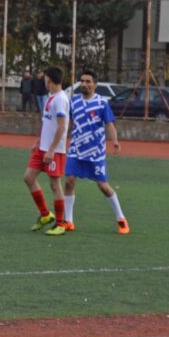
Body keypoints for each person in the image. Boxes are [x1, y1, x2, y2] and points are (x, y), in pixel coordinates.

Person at [64, 70, 129, 234]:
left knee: (103, 186)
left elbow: (110, 124)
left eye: (88, 81)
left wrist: (115, 141)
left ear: (95, 84)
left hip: (95, 153)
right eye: (82, 81)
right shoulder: (74, 101)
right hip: (75, 150)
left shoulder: (102, 103)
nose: (84, 84)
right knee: (69, 181)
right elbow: (69, 124)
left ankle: (121, 218)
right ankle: (68, 220)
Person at [23, 66, 71, 236]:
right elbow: (47, 123)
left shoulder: (61, 99)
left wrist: (51, 150)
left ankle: (60, 223)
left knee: (54, 184)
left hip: (54, 150)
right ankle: (45, 215)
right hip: (42, 148)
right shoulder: (51, 97)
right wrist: (38, 142)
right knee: (28, 178)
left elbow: (62, 127)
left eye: (45, 78)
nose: (44, 81)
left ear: (49, 80)